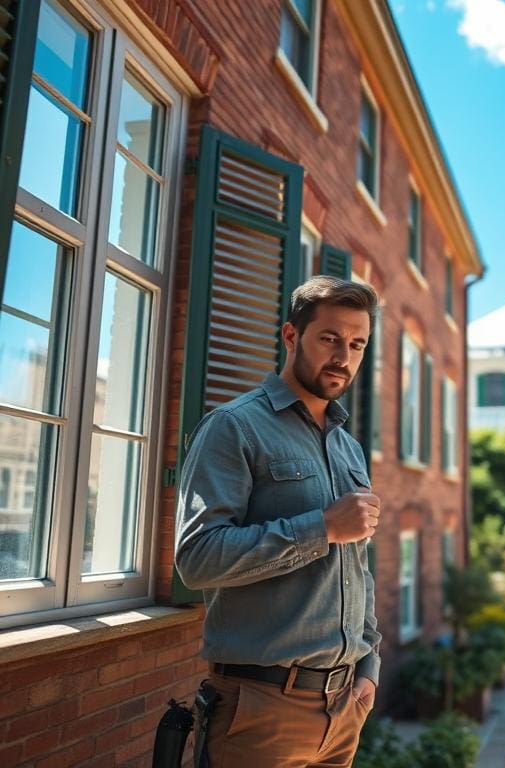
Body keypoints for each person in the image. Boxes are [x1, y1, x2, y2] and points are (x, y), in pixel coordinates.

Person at [175, 276, 383, 767]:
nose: (343, 357)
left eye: (357, 344)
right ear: (291, 337)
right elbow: (197, 559)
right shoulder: (234, 427)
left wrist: (369, 665)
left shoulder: (347, 446)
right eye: (329, 338)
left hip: (344, 710)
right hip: (261, 711)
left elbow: (358, 571)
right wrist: (323, 528)